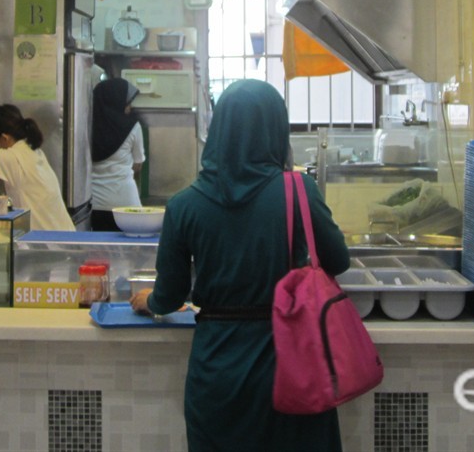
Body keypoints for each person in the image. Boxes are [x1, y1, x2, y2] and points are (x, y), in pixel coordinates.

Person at [130, 79, 350, 452]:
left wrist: (147, 301)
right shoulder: (298, 190)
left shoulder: (184, 205)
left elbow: (169, 298)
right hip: (292, 361)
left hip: (217, 371)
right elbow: (339, 261)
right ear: (277, 130)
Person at [90, 78, 145, 231]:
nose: (130, 106)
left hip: (94, 204)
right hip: (126, 202)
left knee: (98, 252)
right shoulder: (133, 126)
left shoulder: (86, 126)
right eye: (128, 102)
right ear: (116, 100)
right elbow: (138, 164)